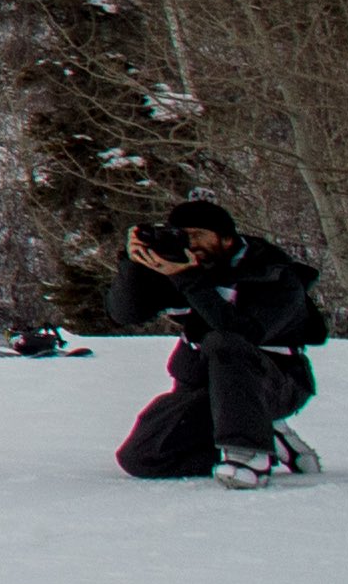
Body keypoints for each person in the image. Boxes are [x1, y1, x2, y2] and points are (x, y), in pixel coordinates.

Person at [107, 201, 328, 486]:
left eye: (199, 234)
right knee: (140, 459)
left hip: (274, 384)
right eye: (182, 235)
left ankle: (250, 455)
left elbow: (241, 332)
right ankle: (264, 436)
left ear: (226, 238)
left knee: (224, 341)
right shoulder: (179, 266)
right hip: (206, 390)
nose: (191, 243)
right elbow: (125, 314)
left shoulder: (274, 274)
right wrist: (133, 265)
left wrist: (188, 279)